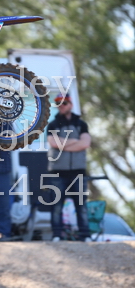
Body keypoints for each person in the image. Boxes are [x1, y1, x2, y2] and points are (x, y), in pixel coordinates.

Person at [47, 93, 91, 241]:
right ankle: (57, 235)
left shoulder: (82, 124)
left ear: (71, 105)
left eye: (64, 103)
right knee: (56, 206)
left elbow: (85, 143)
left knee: (81, 206)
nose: (61, 105)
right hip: (57, 172)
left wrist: (63, 144)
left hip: (78, 172)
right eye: (58, 103)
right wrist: (75, 141)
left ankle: (85, 235)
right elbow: (54, 143)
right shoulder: (52, 125)